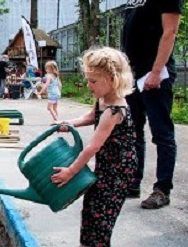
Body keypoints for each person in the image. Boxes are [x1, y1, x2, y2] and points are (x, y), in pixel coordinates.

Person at [51, 46, 137, 247]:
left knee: (102, 215)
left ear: (112, 78)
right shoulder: (103, 99)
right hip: (106, 166)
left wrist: (70, 172)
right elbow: (91, 117)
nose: (89, 86)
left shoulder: (115, 110)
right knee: (90, 207)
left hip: (118, 171)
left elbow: (92, 147)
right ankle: (86, 243)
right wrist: (69, 123)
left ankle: (96, 243)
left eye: (93, 81)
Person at [122, 0, 183, 209]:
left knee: (161, 133)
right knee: (134, 131)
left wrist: (157, 72)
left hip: (154, 74)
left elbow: (169, 33)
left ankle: (162, 189)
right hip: (132, 76)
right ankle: (133, 183)